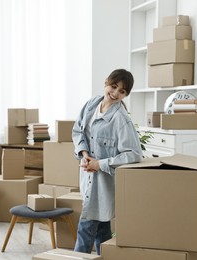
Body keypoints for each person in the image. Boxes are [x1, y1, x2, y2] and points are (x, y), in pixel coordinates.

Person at [72, 68, 143, 254]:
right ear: (106, 83)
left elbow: (134, 154)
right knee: (102, 233)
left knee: (84, 232)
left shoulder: (121, 119)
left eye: (122, 91)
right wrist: (84, 152)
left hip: (103, 186)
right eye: (113, 87)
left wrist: (100, 164)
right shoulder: (91, 104)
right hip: (87, 180)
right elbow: (78, 130)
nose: (116, 93)